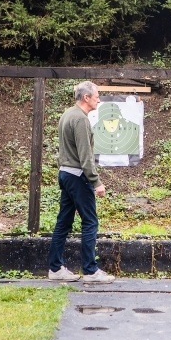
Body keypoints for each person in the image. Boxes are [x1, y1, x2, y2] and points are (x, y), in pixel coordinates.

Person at [47, 81, 115, 283]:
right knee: (90, 222)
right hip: (77, 176)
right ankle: (91, 271)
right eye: (97, 96)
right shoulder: (80, 119)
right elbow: (85, 156)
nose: (99, 100)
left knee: (63, 222)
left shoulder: (68, 114)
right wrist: (96, 182)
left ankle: (55, 268)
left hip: (65, 173)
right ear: (86, 97)